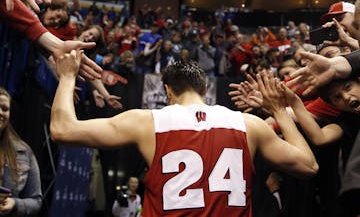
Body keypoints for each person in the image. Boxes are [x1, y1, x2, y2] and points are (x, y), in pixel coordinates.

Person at [50, 53, 318, 216]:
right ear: (204, 90)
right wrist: (279, 111)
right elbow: (308, 165)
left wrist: (67, 76)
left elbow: (62, 130)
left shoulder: (145, 121)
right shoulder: (248, 124)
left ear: (167, 90)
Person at [0, 87, 42, 216]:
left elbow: (36, 200)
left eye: (5, 109)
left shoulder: (23, 152)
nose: (0, 112)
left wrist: (14, 204)